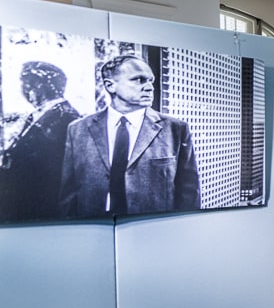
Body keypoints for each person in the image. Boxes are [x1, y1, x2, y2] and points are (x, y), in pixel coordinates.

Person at [59, 54, 200, 218]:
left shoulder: (175, 129)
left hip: (153, 229)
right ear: (111, 85)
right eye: (139, 80)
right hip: (93, 227)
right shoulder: (78, 129)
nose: (149, 87)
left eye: (150, 81)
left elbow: (189, 193)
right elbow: (68, 193)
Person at [0, 61, 81, 222]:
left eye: (25, 82)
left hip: (43, 207)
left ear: (38, 84)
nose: (22, 89)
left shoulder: (66, 117)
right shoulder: (38, 115)